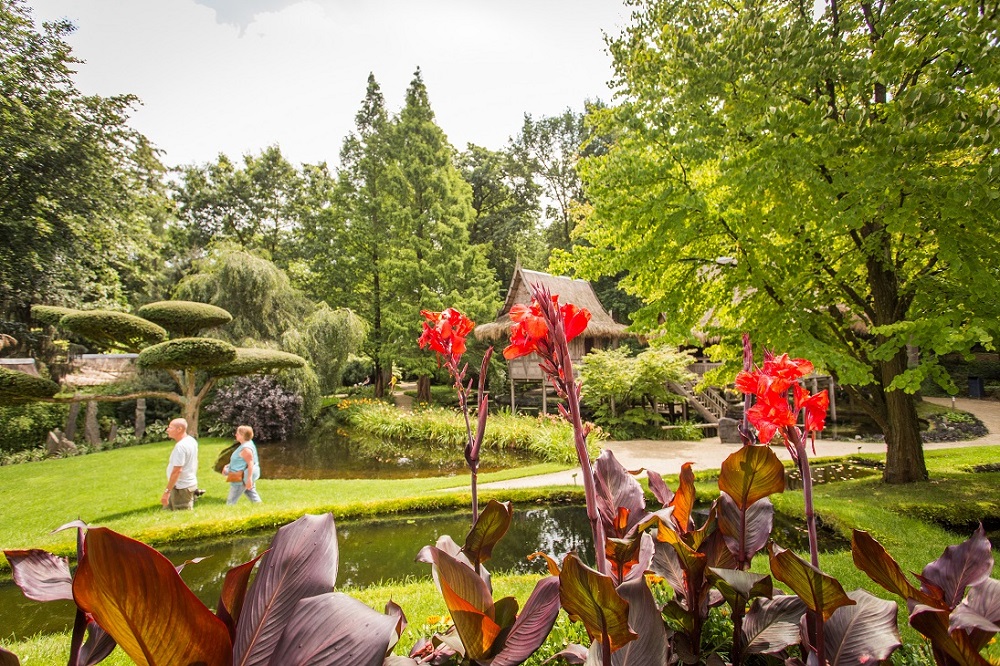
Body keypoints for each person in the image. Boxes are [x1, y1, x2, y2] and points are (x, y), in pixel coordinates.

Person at [162, 418, 198, 510]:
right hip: (183, 485)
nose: (167, 430)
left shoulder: (181, 447)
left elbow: (177, 471)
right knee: (167, 514)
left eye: (170, 427)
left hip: (182, 489)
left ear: (179, 429)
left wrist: (167, 491)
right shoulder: (191, 440)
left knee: (183, 517)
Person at [223, 425, 261, 505]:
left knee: (231, 502)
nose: (236, 435)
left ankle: (229, 515)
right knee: (252, 494)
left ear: (243, 435)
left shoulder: (246, 449)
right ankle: (261, 509)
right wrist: (228, 466)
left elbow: (250, 463)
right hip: (243, 477)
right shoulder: (248, 443)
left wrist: (249, 479)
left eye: (238, 433)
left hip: (240, 478)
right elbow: (239, 461)